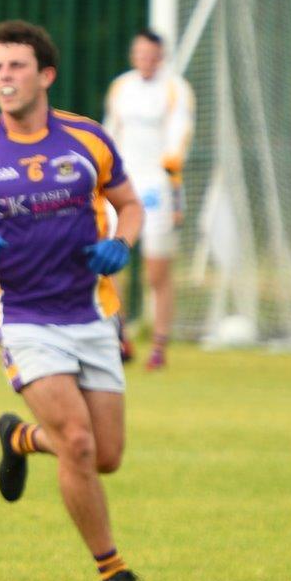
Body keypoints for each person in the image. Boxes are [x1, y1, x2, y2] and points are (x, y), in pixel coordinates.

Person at [0, 20, 145, 581]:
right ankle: (111, 568)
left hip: (92, 312)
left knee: (106, 455)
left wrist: (120, 245)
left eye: (17, 66)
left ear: (45, 75)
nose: (5, 76)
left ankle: (20, 438)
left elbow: (131, 205)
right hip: (23, 317)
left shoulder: (88, 139)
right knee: (77, 441)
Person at [104, 29, 194, 370]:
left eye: (152, 54)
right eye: (140, 53)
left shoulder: (174, 88)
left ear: (161, 56)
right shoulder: (122, 87)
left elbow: (179, 131)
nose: (146, 60)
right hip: (124, 184)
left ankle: (159, 345)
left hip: (158, 183)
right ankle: (120, 336)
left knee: (157, 271)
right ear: (133, 55)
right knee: (112, 260)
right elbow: (110, 131)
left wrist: (172, 174)